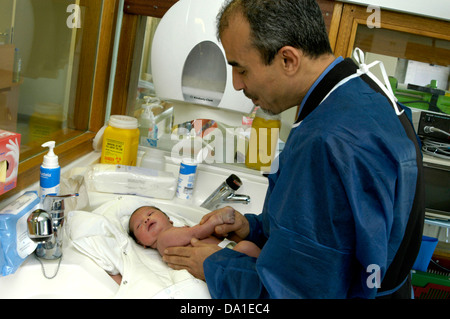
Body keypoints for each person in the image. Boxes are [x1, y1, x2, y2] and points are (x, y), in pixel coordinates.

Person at [163, 0, 425, 299]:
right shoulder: (362, 93)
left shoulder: (326, 140)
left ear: (288, 59)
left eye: (242, 69)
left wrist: (215, 265)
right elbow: (338, 233)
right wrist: (253, 229)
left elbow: (299, 292)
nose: (236, 85)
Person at [128, 205, 260, 258]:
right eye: (139, 225)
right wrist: (216, 220)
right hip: (223, 254)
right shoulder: (163, 239)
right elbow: (196, 233)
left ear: (169, 219)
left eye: (150, 213)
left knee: (247, 247)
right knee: (246, 247)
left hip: (224, 250)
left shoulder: (178, 230)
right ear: (141, 243)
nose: (146, 220)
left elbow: (197, 233)